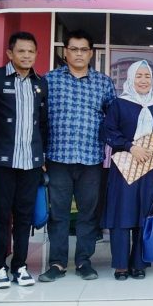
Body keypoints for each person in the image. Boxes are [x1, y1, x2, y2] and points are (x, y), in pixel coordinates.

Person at [39, 29, 116, 282]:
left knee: (88, 214)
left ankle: (84, 261)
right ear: (66, 52)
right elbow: (38, 119)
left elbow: (113, 120)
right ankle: (58, 263)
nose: (79, 54)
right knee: (58, 214)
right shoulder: (49, 80)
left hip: (91, 159)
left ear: (91, 53)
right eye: (74, 49)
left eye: (84, 49)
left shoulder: (103, 83)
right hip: (57, 157)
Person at [0, 32, 49, 289]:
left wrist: (44, 155)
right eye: (21, 51)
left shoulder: (40, 83)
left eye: (31, 52)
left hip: (31, 161)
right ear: (10, 53)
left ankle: (20, 266)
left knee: (24, 216)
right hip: (2, 160)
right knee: (1, 215)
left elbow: (44, 124)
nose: (27, 56)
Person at [101, 60, 153, 280]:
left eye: (147, 76)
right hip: (124, 169)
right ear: (130, 79)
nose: (143, 81)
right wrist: (131, 147)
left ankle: (139, 263)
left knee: (145, 217)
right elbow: (107, 132)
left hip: (151, 171)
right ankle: (121, 266)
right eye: (139, 76)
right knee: (122, 216)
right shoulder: (119, 104)